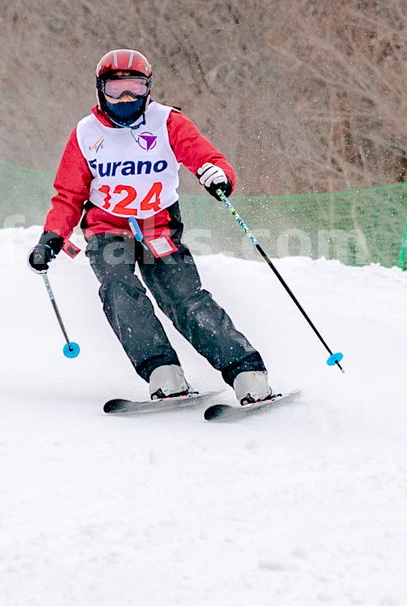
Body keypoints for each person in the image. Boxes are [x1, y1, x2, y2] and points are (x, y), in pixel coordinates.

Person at [28, 49, 273, 402]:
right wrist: (51, 238)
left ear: (148, 88)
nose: (126, 98)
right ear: (100, 90)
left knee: (183, 298)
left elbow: (206, 157)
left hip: (159, 224)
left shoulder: (168, 122)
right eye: (116, 89)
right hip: (106, 227)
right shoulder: (86, 133)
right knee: (119, 289)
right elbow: (68, 194)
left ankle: (246, 371)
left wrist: (217, 175)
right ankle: (163, 370)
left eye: (135, 88)